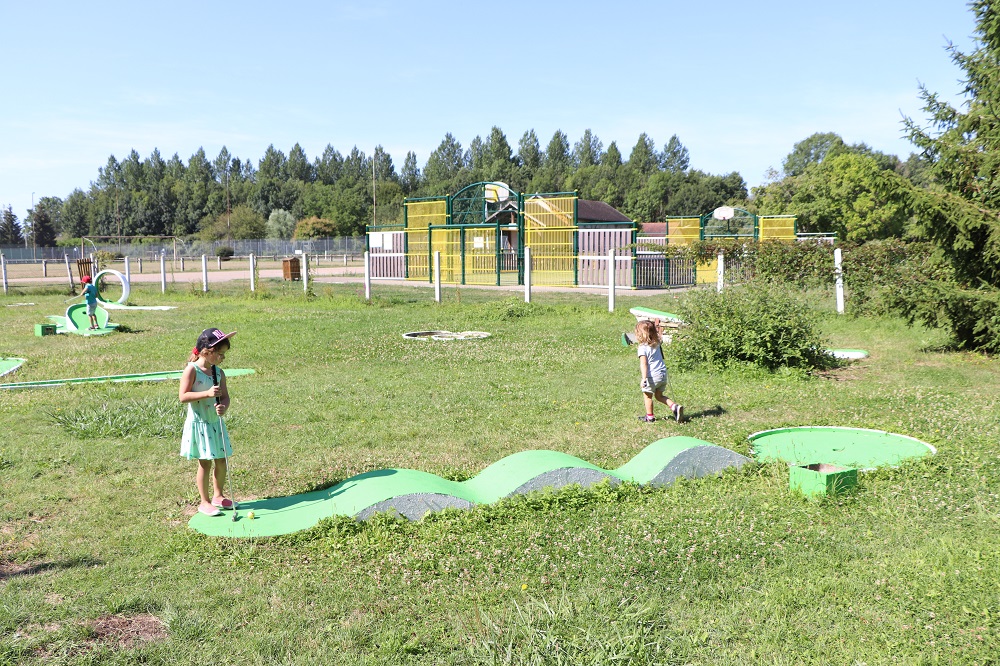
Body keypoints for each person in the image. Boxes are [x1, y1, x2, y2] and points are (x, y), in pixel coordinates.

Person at [179, 328, 237, 517]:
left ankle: (218, 496)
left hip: (215, 423)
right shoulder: (192, 370)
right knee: (205, 463)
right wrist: (207, 393)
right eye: (219, 354)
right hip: (200, 424)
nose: (222, 358)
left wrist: (224, 407)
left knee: (221, 460)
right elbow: (183, 396)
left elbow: (226, 397)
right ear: (206, 351)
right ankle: (204, 502)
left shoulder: (219, 373)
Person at [635, 319, 683, 423]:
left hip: (652, 376)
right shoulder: (657, 344)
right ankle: (674, 406)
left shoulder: (642, 348)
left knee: (647, 396)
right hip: (662, 374)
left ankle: (650, 417)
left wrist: (644, 379)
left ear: (640, 334)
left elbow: (644, 364)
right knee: (659, 396)